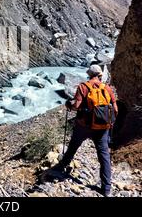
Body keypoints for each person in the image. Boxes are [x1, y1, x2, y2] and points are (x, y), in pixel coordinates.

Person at [53, 64, 118, 197]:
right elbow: (115, 109)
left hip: (84, 126)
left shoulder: (83, 87)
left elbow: (76, 106)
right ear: (100, 75)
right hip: (102, 128)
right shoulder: (107, 88)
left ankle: (61, 166)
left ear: (89, 74)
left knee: (73, 146)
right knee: (104, 156)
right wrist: (109, 122)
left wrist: (69, 105)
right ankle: (106, 188)